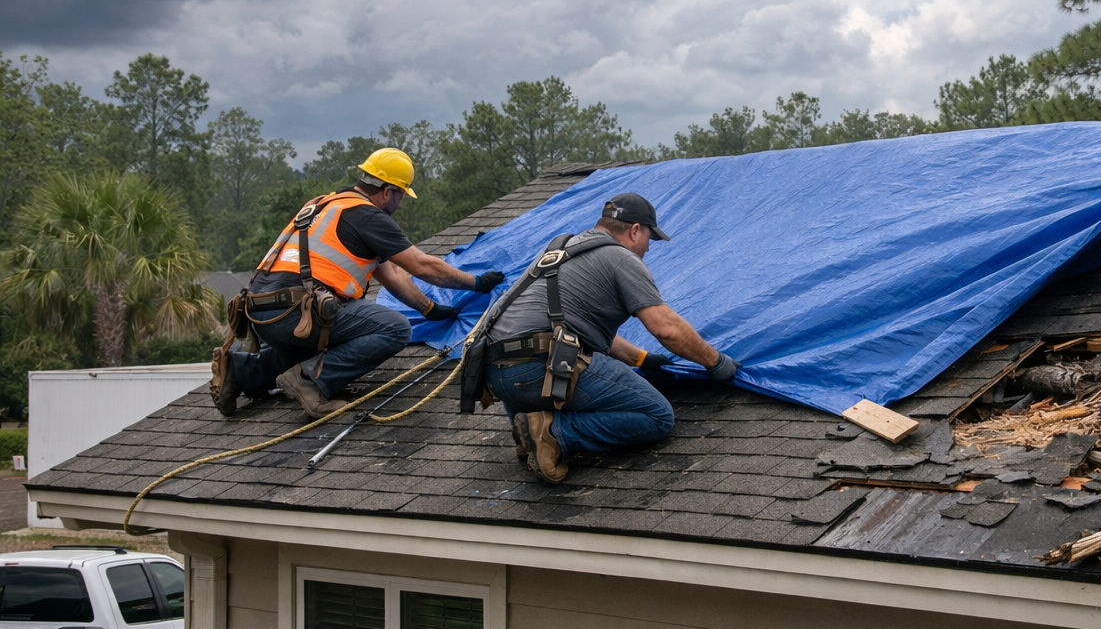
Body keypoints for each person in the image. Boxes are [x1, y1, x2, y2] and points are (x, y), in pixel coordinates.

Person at [211, 148, 504, 418]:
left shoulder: (324, 204)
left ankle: (241, 371)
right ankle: (309, 381)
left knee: (321, 346)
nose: (400, 203)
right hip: (296, 313)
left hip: (260, 314)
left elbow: (391, 274)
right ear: (388, 191)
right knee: (395, 328)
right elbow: (422, 265)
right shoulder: (368, 216)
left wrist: (429, 309)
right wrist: (476, 282)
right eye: (401, 195)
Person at [483, 192, 739, 484]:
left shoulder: (561, 247)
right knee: (657, 416)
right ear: (634, 231)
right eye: (648, 239)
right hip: (536, 371)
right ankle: (553, 433)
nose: (647, 249)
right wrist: (715, 362)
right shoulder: (621, 258)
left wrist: (641, 358)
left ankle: (527, 431)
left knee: (568, 359)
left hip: (495, 375)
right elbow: (665, 328)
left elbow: (569, 327)